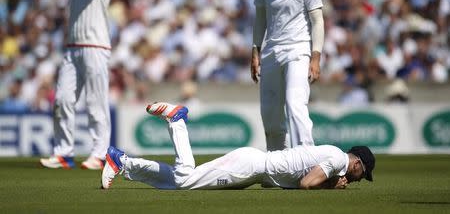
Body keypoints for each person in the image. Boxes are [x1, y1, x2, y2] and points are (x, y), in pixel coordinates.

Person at [101, 102, 375, 190]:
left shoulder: (335, 155)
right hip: (252, 166)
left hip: (254, 168)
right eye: (362, 174)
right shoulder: (339, 160)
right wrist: (332, 185)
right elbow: (306, 183)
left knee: (178, 181)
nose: (358, 179)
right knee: (184, 179)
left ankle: (121, 162)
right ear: (357, 163)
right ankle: (177, 120)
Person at [38, 0, 113, 170]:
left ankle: (100, 155)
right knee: (62, 100)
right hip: (72, 49)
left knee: (95, 103)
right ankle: (63, 153)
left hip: (96, 48)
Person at [251, 0, 325, 150]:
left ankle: (307, 160)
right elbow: (260, 20)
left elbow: (318, 21)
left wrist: (316, 57)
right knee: (270, 111)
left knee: (295, 104)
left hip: (298, 49)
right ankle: (278, 165)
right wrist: (255, 52)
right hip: (271, 51)